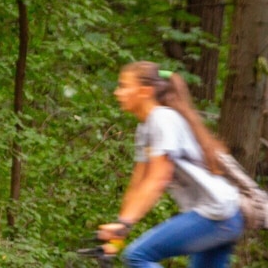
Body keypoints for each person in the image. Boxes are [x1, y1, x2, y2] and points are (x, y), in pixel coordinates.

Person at [96, 61, 247, 267]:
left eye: (123, 86)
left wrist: (125, 224)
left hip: (216, 215)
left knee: (137, 256)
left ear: (145, 91)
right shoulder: (146, 127)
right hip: (225, 216)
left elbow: (158, 177)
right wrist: (119, 232)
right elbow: (138, 184)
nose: (117, 92)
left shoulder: (162, 119)